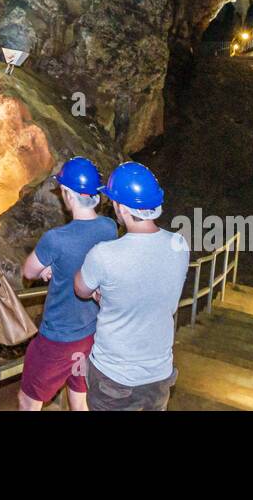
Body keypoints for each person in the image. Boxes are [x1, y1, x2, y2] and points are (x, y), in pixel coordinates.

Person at [75, 161, 189, 411]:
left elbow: (81, 289)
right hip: (158, 374)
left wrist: (103, 296)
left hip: (113, 375)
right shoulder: (179, 245)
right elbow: (154, 289)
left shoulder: (104, 254)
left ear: (123, 208)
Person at [17, 157, 117, 411]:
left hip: (57, 339)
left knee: (28, 400)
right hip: (91, 334)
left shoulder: (56, 239)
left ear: (68, 195)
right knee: (79, 395)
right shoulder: (109, 228)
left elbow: (28, 271)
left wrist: (48, 267)